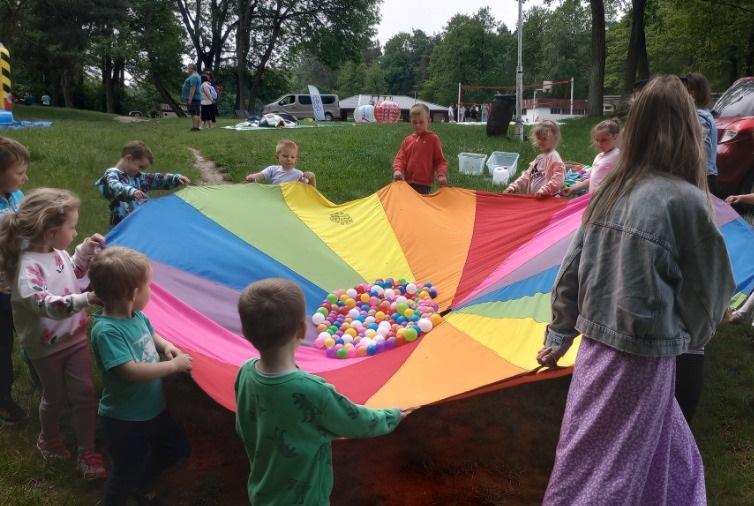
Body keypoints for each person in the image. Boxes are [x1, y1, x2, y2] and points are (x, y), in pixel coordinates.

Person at [536, 75, 735, 504]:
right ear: (688, 131)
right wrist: (689, 334)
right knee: (611, 471)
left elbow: (571, 270)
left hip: (594, 352)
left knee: (615, 454)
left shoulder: (610, 191)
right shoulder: (686, 201)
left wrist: (559, 334)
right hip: (644, 359)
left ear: (635, 129)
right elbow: (711, 288)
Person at [234, 278, 412, 505]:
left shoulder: (245, 372)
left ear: (245, 332)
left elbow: (244, 424)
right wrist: (392, 416)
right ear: (302, 329)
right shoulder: (311, 390)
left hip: (263, 494)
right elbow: (356, 421)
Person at [0, 188, 109, 480]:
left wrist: (84, 251)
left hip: (74, 339)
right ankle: (48, 439)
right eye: (72, 227)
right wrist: (87, 299)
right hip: (45, 347)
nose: (75, 232)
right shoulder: (26, 269)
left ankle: (87, 450)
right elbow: (46, 305)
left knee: (85, 394)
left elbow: (71, 273)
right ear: (50, 232)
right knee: (55, 396)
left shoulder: (56, 253)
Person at [88, 247, 192, 506]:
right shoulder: (107, 332)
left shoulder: (137, 316)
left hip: (152, 410)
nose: (151, 291)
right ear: (133, 294)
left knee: (175, 448)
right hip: (124, 420)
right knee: (125, 470)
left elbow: (151, 335)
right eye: (149, 286)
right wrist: (173, 366)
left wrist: (166, 346)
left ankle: (141, 485)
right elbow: (130, 372)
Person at [0, 136, 30, 425]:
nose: (25, 178)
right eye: (20, 173)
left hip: (21, 283)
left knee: (30, 332)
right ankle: (3, 401)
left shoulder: (17, 195)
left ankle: (42, 375)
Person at [95, 141, 191, 226]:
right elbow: (114, 186)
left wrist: (175, 179)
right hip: (122, 227)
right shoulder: (111, 174)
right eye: (140, 167)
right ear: (129, 158)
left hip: (138, 222)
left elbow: (155, 179)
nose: (140, 171)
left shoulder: (137, 177)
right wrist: (132, 191)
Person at [392, 103, 448, 194]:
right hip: (406, 183)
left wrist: (441, 175)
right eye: (414, 122)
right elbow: (400, 158)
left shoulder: (433, 139)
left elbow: (440, 161)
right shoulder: (407, 140)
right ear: (410, 121)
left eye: (421, 122)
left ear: (428, 121)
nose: (418, 125)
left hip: (423, 185)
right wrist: (397, 170)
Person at [505, 120, 566, 197]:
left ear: (554, 138)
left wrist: (545, 190)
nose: (541, 141)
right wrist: (514, 186)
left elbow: (558, 180)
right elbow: (526, 176)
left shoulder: (554, 157)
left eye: (544, 138)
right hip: (536, 199)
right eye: (539, 138)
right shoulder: (538, 159)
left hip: (549, 199)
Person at [562, 119, 621, 196]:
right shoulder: (599, 156)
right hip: (593, 198)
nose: (599, 144)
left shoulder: (617, 155)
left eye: (604, 140)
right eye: (597, 140)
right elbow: (593, 179)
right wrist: (572, 188)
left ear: (615, 137)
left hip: (605, 199)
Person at [686, 72, 719, 196]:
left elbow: (700, 147)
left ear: (692, 94)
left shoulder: (699, 117)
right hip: (707, 175)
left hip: (702, 177)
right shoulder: (706, 113)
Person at [244, 139, 316, 187]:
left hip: (290, 200)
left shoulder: (299, 174)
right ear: (277, 157)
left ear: (296, 159)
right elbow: (261, 175)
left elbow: (311, 190)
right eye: (285, 156)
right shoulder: (272, 169)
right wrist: (253, 177)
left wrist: (311, 177)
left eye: (292, 157)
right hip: (274, 197)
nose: (289, 159)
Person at [181, 63, 202, 131]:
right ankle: (197, 127)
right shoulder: (197, 76)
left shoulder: (194, 77)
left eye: (188, 68)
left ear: (192, 69)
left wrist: (190, 99)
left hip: (193, 98)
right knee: (197, 113)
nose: (188, 69)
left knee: (194, 113)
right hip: (196, 97)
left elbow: (193, 88)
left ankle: (195, 127)